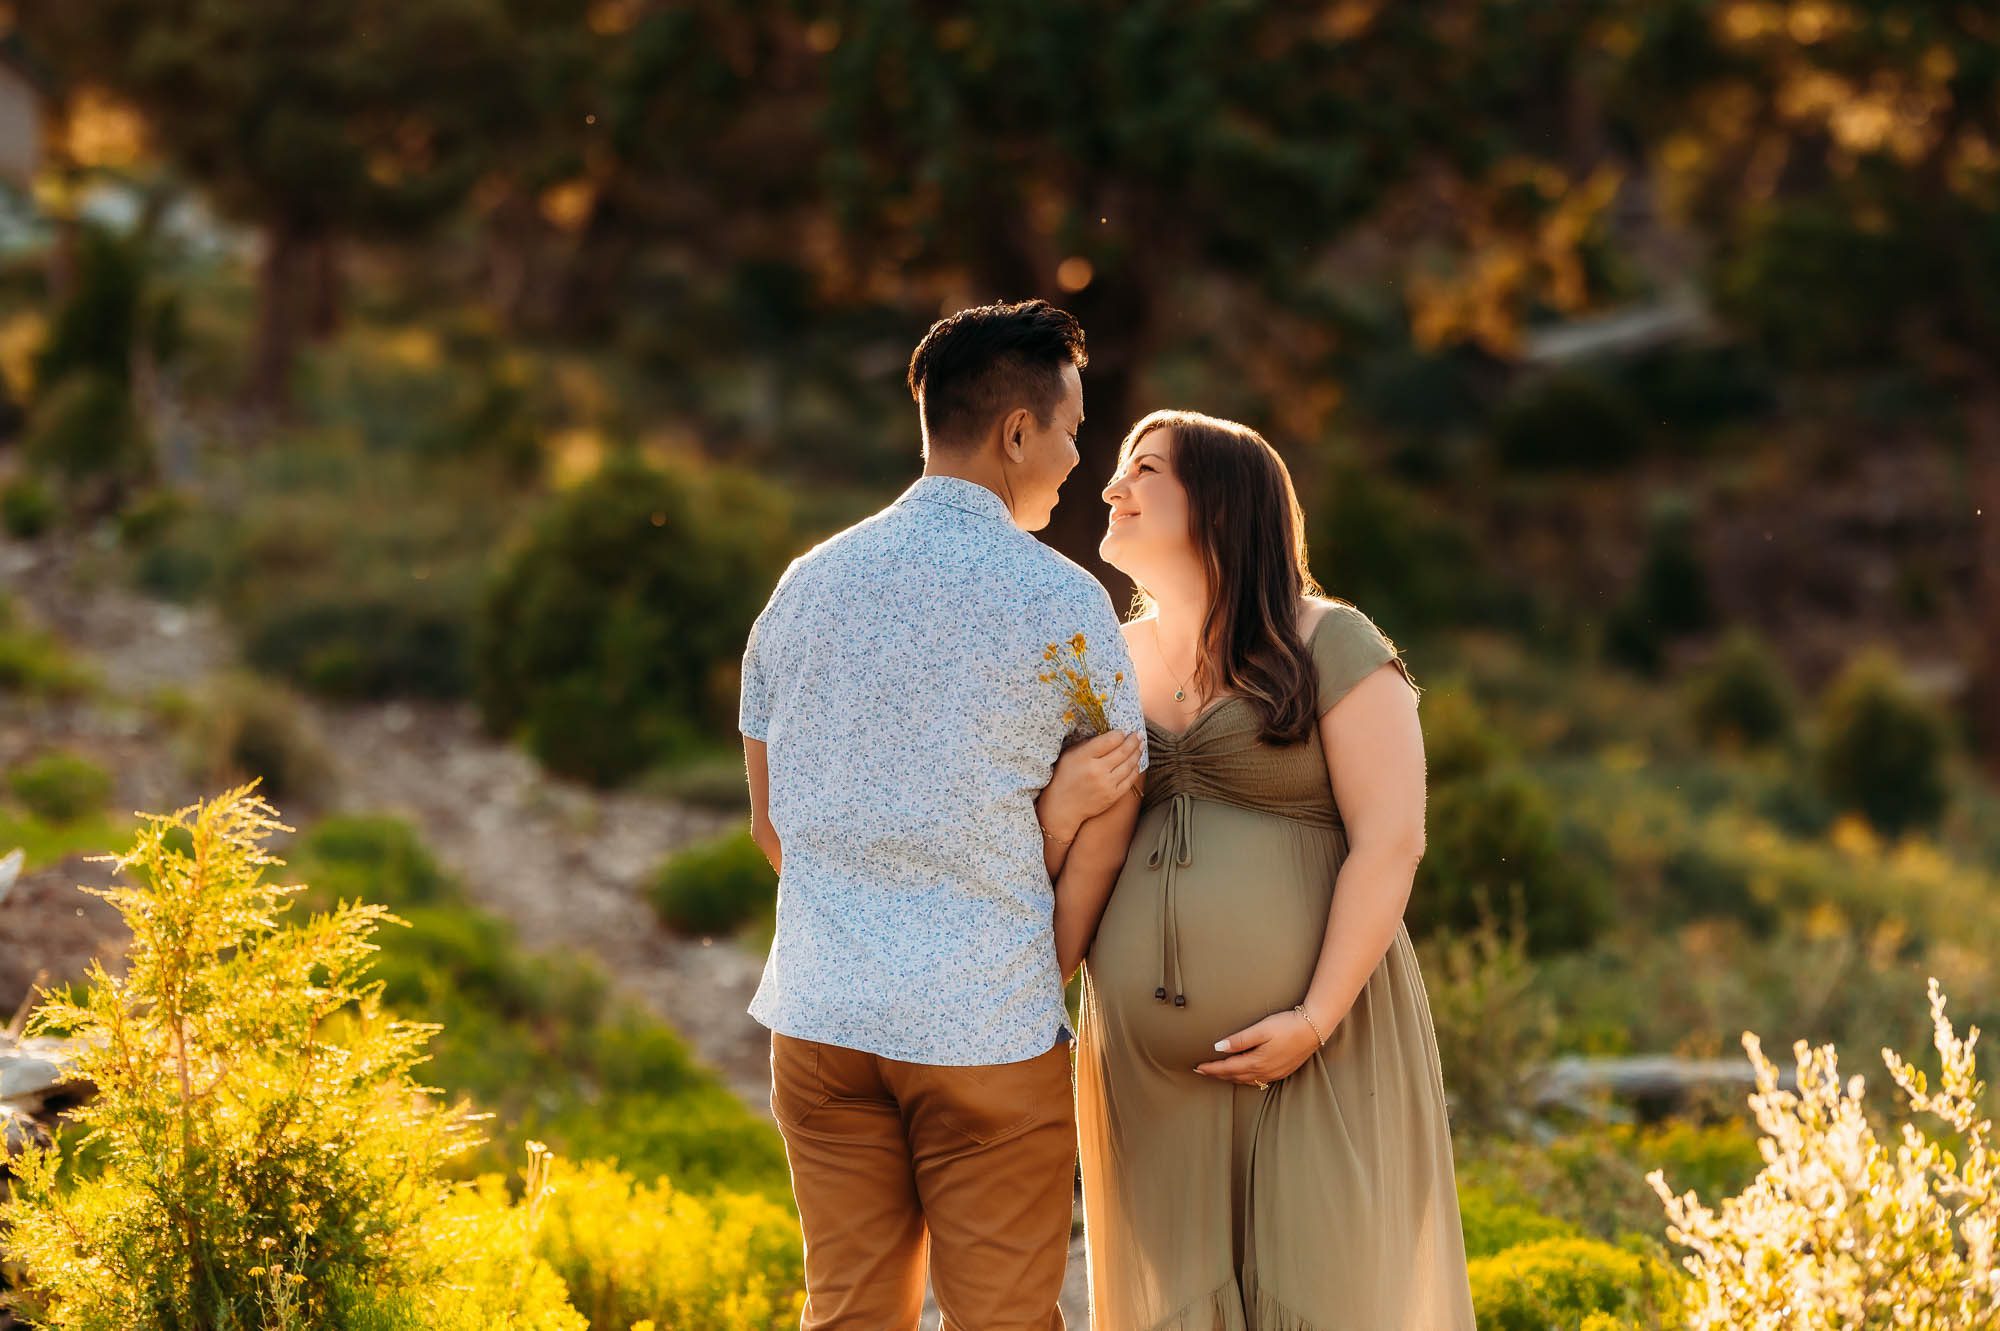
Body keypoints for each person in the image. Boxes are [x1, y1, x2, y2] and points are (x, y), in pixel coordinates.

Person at [737, 298, 1147, 1329]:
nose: (1075, 459)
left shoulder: (803, 584)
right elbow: (1115, 801)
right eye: (1069, 430)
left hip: (821, 1023)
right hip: (984, 1031)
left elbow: (771, 824)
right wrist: (1032, 961)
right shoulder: (1060, 602)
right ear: (1016, 431)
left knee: (849, 1312)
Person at [1040, 410, 1476, 1330]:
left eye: (1143, 469)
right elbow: (1070, 844)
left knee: (1325, 1296)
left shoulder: (1334, 643)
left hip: (1321, 1045)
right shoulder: (1108, 661)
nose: (1111, 488)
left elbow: (1391, 841)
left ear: (1222, 503)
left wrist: (1313, 1018)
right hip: (1150, 1069)